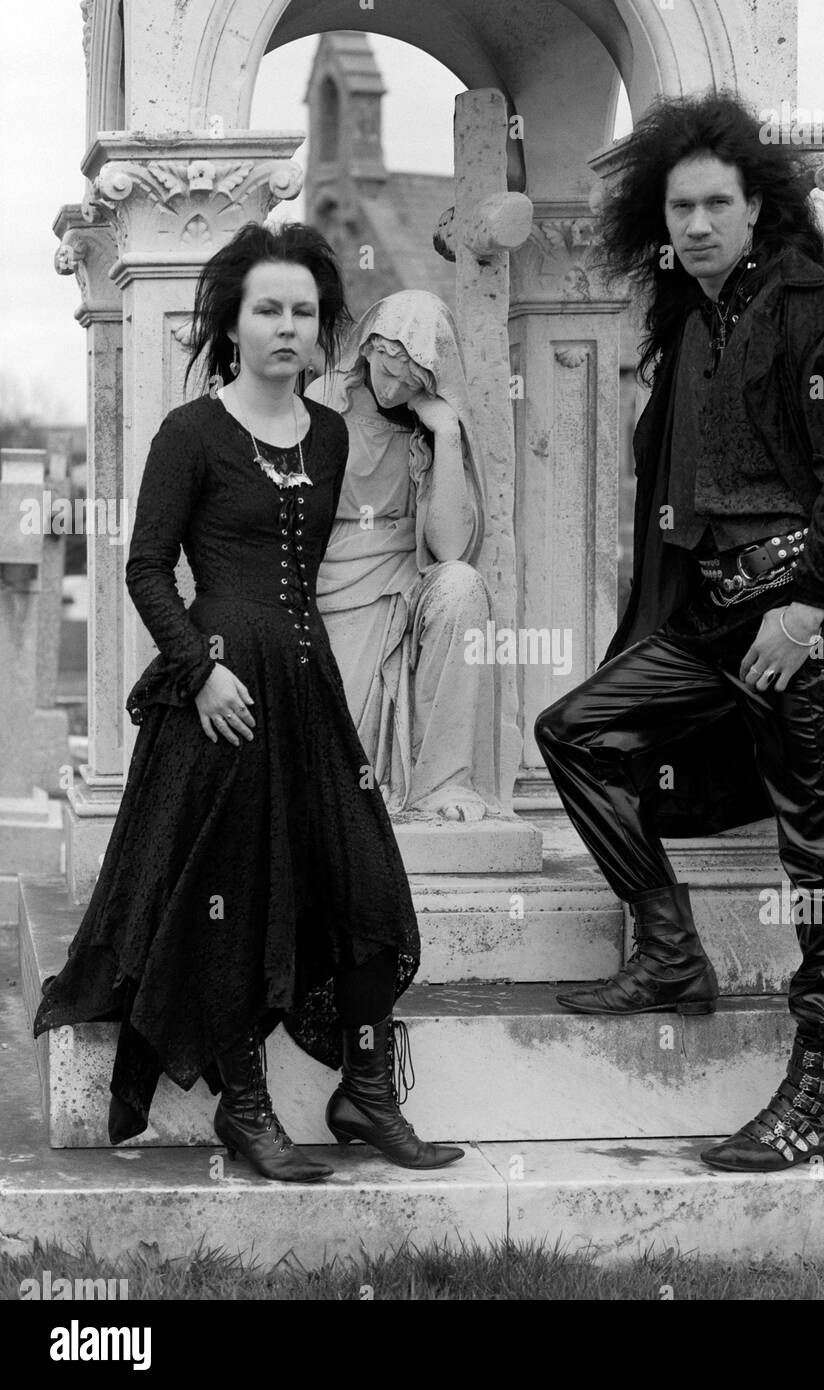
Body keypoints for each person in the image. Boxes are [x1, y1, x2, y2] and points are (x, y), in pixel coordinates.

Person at [534, 94, 824, 1172]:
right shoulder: (689, 322)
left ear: (757, 209)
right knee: (574, 730)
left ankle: (814, 1090)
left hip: (805, 622)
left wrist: (805, 612)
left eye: (717, 204)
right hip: (712, 617)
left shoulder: (813, 313)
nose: (698, 223)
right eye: (681, 208)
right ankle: (668, 950)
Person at [33, 222, 463, 1181]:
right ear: (233, 322)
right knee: (230, 904)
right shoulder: (190, 433)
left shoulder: (332, 433)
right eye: (268, 309)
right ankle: (247, 1107)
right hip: (219, 702)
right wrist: (199, 670)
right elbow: (147, 568)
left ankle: (366, 1092)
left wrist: (443, 431)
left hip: (306, 690)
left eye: (303, 311)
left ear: (320, 328)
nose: (287, 326)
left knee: (366, 886)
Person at [306, 291, 503, 822]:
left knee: (461, 587)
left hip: (405, 579)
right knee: (336, 763)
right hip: (332, 581)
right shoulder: (324, 401)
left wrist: (446, 435)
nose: (392, 389)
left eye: (409, 381)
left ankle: (441, 783)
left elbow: (450, 549)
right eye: (386, 370)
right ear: (367, 349)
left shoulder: (431, 425)